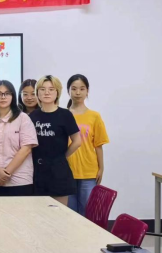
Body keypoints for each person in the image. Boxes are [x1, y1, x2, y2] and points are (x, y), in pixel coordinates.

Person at [30, 76, 82, 206]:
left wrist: (62, 156)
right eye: (42, 89)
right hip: (37, 171)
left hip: (59, 171)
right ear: (37, 93)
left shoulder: (65, 115)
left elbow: (77, 141)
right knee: (39, 212)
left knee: (59, 212)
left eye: (51, 89)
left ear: (57, 92)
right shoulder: (33, 116)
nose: (46, 92)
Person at [0, 81, 39, 197]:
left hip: (20, 180)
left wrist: (6, 173)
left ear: (13, 96)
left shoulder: (23, 118)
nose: (3, 97)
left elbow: (26, 149)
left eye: (7, 93)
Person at [67, 75, 110, 216]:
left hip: (89, 171)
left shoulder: (94, 116)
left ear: (87, 91)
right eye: (74, 89)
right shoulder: (63, 115)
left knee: (87, 213)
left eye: (82, 89)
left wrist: (101, 168)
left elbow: (98, 145)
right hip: (67, 171)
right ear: (68, 91)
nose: (78, 92)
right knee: (69, 213)